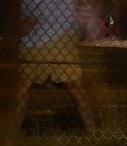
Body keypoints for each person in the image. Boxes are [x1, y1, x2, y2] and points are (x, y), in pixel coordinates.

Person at [16, 0, 96, 131]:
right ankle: (93, 131)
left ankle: (11, 131)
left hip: (46, 38)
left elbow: (29, 20)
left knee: (24, 85)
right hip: (55, 37)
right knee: (74, 86)